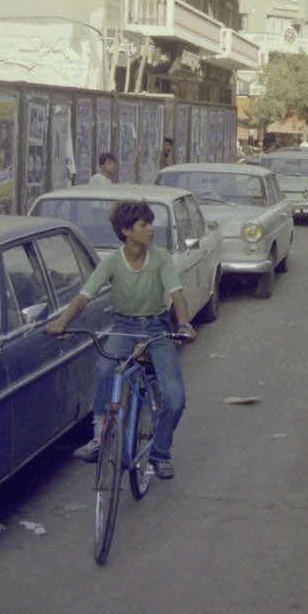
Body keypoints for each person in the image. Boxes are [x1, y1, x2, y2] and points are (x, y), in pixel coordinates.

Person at [47, 201, 195, 480]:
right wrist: (62, 322)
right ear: (126, 231)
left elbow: (177, 294)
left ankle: (160, 453)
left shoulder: (161, 258)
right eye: (144, 224)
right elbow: (84, 296)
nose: (151, 229)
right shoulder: (113, 262)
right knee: (103, 370)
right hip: (124, 325)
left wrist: (184, 324)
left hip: (157, 328)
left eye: (150, 223)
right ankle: (100, 438)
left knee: (174, 399)